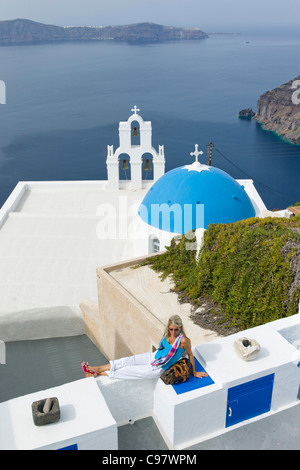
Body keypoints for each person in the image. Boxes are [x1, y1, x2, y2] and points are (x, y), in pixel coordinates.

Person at [82, 315, 208, 380]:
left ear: (180, 328)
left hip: (159, 368)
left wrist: (194, 371)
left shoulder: (184, 340)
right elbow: (162, 348)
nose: (173, 332)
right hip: (153, 357)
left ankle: (97, 372)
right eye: (171, 329)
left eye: (176, 329)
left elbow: (190, 354)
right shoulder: (167, 334)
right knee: (127, 361)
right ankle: (97, 369)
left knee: (128, 371)